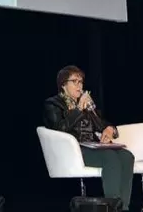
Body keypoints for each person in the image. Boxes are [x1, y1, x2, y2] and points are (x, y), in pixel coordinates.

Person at [43, 65, 134, 211]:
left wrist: (111, 129)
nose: (79, 86)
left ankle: (123, 207)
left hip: (92, 147)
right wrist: (79, 109)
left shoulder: (86, 104)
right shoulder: (53, 104)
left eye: (81, 82)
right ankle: (112, 208)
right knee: (110, 157)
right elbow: (59, 127)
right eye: (75, 81)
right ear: (63, 85)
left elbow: (102, 123)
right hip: (73, 150)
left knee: (127, 156)